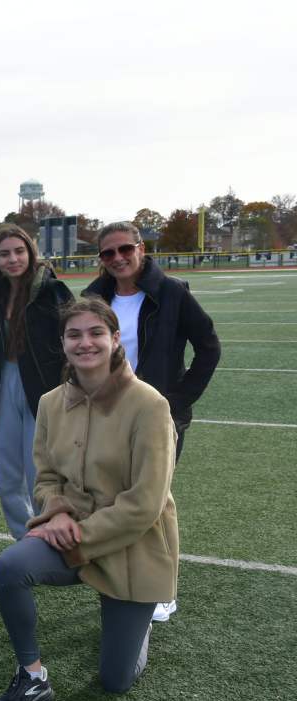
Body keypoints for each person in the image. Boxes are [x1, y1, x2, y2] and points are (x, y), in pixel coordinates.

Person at [0, 297, 179, 701]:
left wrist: (78, 536)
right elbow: (45, 477)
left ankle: (139, 623)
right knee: (11, 566)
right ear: (63, 343)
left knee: (115, 681)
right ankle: (32, 675)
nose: (85, 342)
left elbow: (144, 505)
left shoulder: (150, 405)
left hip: (131, 545)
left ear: (114, 339)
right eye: (74, 334)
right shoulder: (50, 402)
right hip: (69, 531)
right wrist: (56, 513)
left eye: (96, 333)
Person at [83, 221, 220, 623]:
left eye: (125, 249)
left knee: (156, 502)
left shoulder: (172, 292)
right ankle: (121, 578)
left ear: (141, 248)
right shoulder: (95, 295)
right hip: (108, 412)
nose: (118, 259)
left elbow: (209, 346)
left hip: (158, 414)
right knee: (115, 497)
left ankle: (163, 589)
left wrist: (178, 400)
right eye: (108, 253)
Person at [0, 225, 73, 540]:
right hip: (4, 387)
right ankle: (25, 539)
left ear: (31, 253)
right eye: (4, 253)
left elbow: (72, 338)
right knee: (6, 476)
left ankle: (52, 538)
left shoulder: (52, 291)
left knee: (38, 475)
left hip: (41, 391)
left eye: (19, 251)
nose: (13, 259)